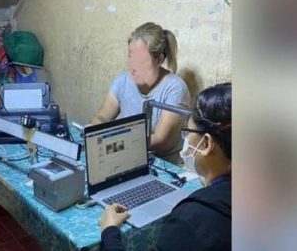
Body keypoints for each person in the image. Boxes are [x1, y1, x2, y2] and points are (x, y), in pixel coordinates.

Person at [99, 82, 231, 251]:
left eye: (188, 132)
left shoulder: (189, 221)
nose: (187, 140)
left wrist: (109, 231)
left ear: (206, 143)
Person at [90, 22, 190, 163]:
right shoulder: (123, 80)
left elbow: (158, 141)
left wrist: (112, 143)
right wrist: (92, 131)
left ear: (159, 59)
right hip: (128, 154)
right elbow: (102, 117)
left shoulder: (175, 88)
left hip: (163, 163)